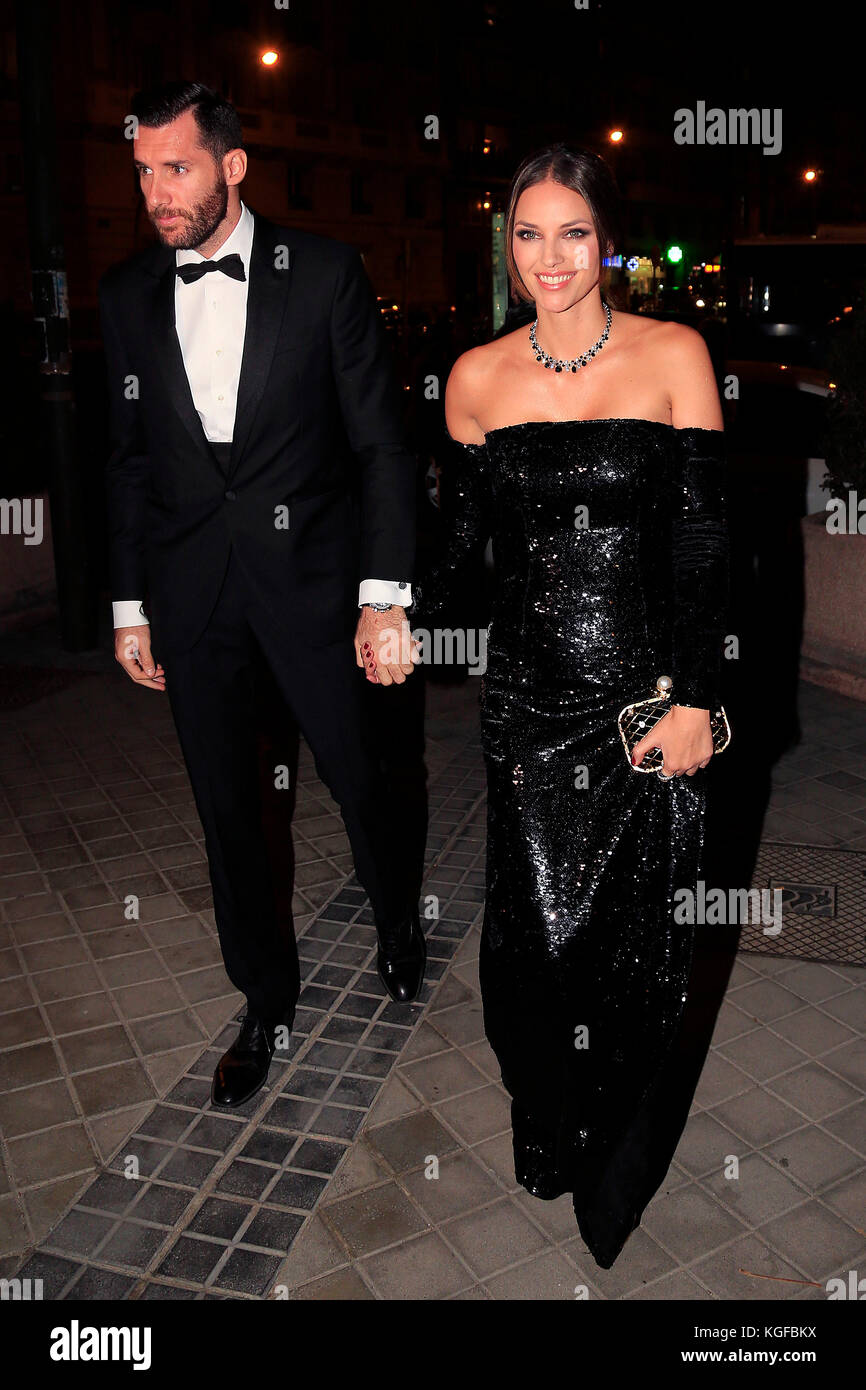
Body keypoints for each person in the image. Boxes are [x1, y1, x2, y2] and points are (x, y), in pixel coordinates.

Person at [410, 142, 729, 1268]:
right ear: (508, 246)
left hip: (641, 704)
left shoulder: (672, 355)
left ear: (607, 241)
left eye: (572, 232)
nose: (550, 256)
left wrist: (694, 698)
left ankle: (611, 1157)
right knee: (533, 950)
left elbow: (698, 549)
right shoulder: (473, 377)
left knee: (633, 951)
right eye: (528, 233)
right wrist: (391, 613)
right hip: (529, 709)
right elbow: (460, 565)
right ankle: (549, 1115)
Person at [99, 81, 424, 1110]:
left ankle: (396, 922)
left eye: (177, 167)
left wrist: (383, 595)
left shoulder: (323, 272)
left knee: (362, 778)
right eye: (143, 170)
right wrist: (126, 606)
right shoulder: (124, 296)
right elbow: (126, 465)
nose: (156, 191)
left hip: (322, 593)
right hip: (196, 602)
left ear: (232, 166)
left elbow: (380, 445)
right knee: (229, 813)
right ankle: (265, 1001)